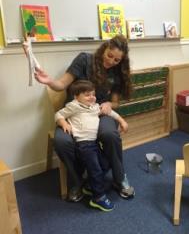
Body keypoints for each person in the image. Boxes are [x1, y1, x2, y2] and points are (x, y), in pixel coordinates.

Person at [26, 35, 135, 202]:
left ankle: (119, 177)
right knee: (62, 141)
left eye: (117, 60)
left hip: (98, 113)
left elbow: (115, 102)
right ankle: (78, 182)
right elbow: (61, 84)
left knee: (110, 135)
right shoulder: (85, 60)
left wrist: (108, 105)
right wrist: (49, 81)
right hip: (74, 114)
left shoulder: (118, 72)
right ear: (104, 48)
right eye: (109, 55)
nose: (111, 61)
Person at [55, 80, 128, 211]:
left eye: (93, 94)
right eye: (87, 95)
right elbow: (59, 114)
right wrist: (64, 123)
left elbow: (110, 113)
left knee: (105, 163)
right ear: (76, 97)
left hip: (94, 144)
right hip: (84, 145)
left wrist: (122, 121)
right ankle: (98, 197)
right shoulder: (74, 106)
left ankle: (89, 185)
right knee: (96, 170)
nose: (92, 97)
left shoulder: (94, 107)